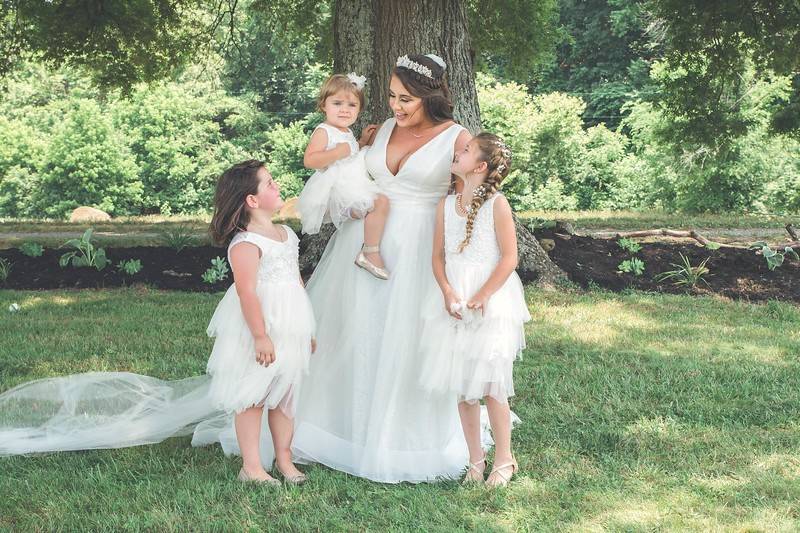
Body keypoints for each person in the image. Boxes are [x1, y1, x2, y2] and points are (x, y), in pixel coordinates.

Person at [291, 53, 476, 483]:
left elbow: (467, 202)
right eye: (392, 96)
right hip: (360, 245)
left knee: (402, 339)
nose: (396, 106)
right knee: (350, 332)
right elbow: (351, 173)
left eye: (406, 99)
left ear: (431, 96)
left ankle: (397, 434)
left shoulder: (456, 137)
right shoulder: (382, 128)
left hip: (417, 251)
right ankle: (337, 425)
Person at [419, 133, 530, 487]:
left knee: (492, 383)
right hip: (454, 299)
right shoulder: (445, 206)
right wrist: (448, 291)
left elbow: (510, 257)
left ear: (480, 166)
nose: (458, 152)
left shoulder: (497, 205)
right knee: (463, 385)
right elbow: (437, 257)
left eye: (465, 151)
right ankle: (475, 460)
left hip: (491, 300)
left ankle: (504, 459)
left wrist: (483, 295)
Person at [206, 160, 316, 484]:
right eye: (269, 183)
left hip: (290, 322)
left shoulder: (286, 234)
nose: (277, 186)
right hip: (260, 324)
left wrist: (306, 328)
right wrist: (260, 335)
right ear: (252, 201)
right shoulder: (245, 243)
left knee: (285, 395)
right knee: (253, 396)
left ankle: (285, 459)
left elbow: (297, 283)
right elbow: (247, 293)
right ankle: (251, 467)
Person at [297, 73, 391, 280]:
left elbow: (350, 154)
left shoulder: (346, 132)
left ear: (359, 109)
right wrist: (336, 152)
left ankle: (366, 246)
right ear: (324, 105)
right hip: (338, 189)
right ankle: (370, 252)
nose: (344, 110)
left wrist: (362, 142)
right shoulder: (324, 131)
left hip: (352, 185)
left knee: (382, 203)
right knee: (380, 202)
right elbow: (310, 160)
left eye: (351, 105)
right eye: (337, 103)